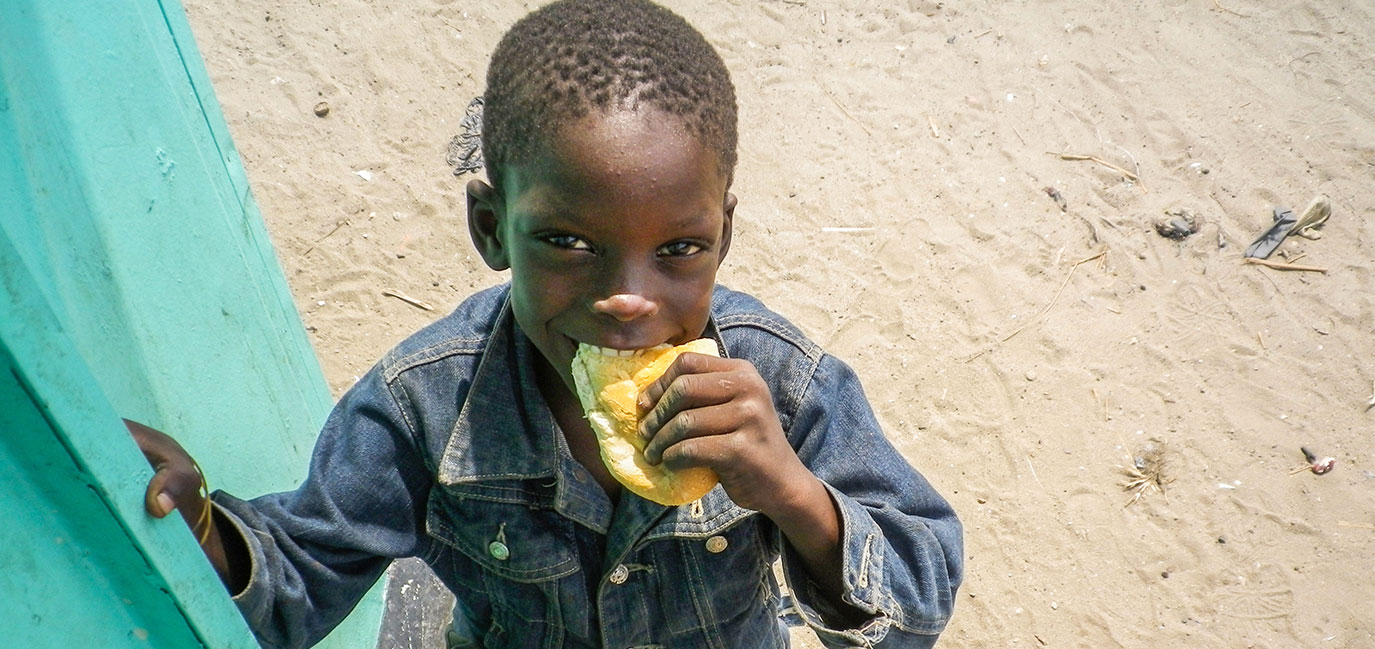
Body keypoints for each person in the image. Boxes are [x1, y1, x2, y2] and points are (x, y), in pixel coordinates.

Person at [131, 1, 963, 647]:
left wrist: (790, 490)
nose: (629, 298)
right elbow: (299, 578)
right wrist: (208, 536)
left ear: (724, 235)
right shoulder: (426, 404)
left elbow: (917, 602)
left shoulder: (779, 384)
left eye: (679, 248)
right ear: (492, 228)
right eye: (569, 242)